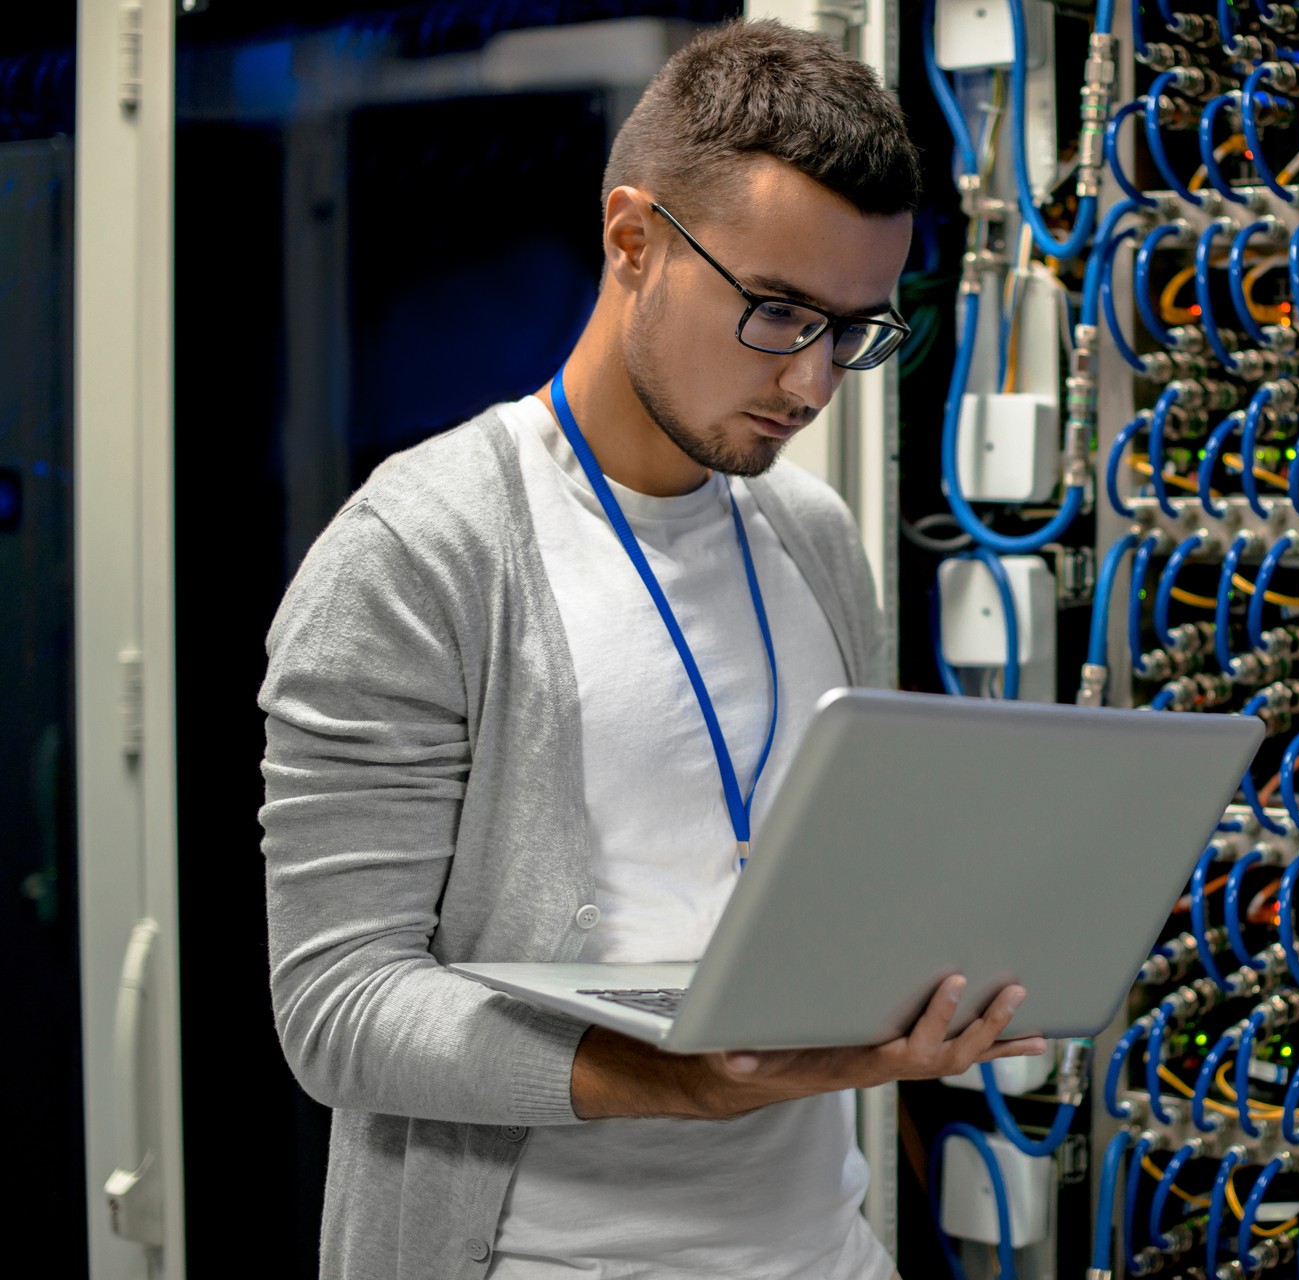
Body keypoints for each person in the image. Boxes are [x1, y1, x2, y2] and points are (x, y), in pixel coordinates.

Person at [259, 21, 1044, 1279]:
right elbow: (338, 1005)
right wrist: (669, 1080)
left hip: (821, 1250)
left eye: (853, 328)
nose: (813, 383)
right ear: (633, 241)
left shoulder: (812, 534)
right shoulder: (419, 550)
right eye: (778, 310)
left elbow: (845, 896)